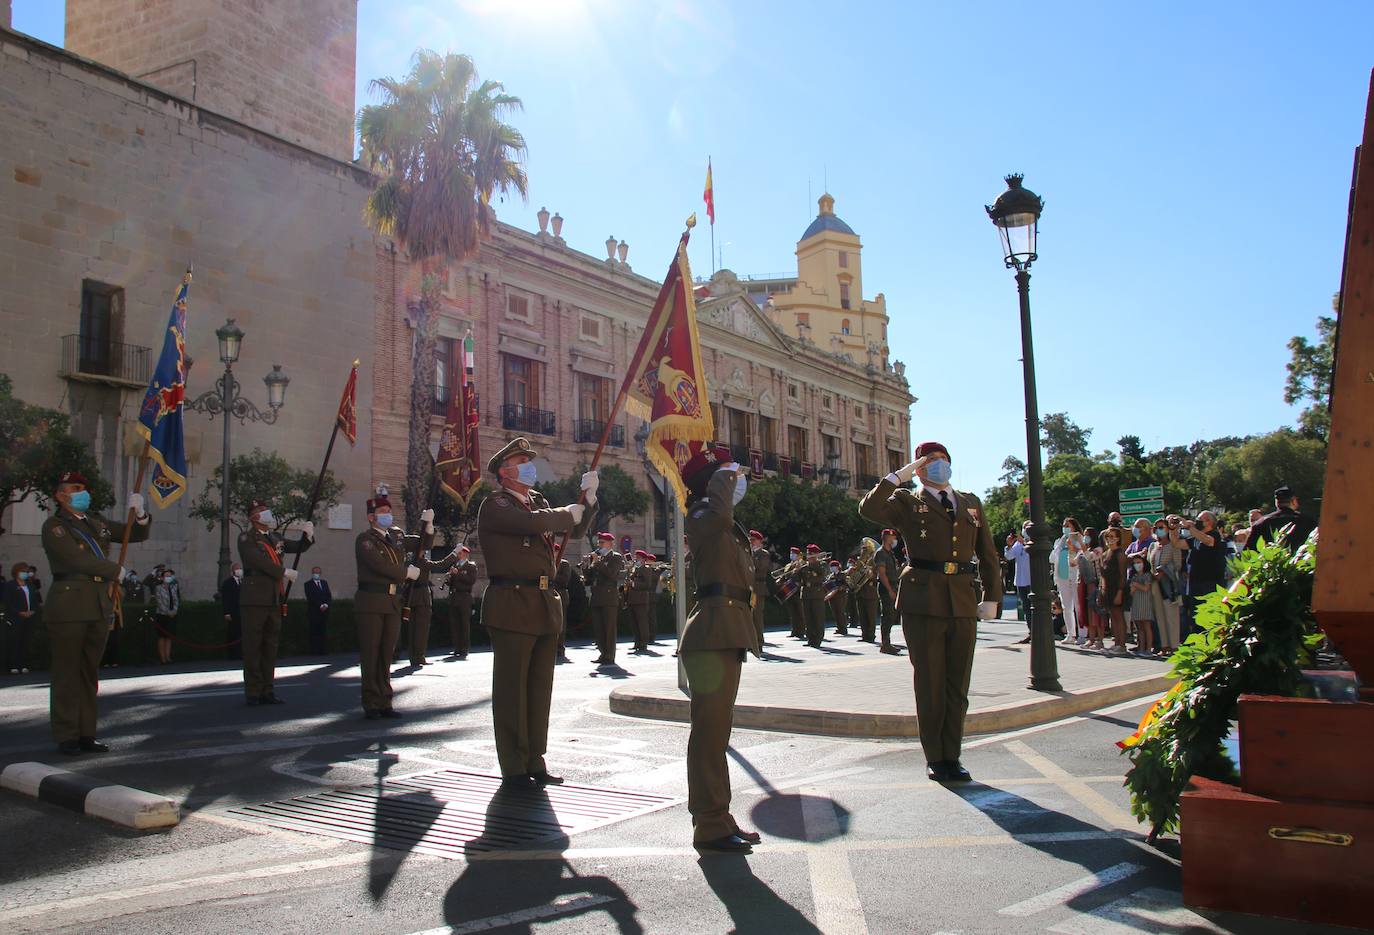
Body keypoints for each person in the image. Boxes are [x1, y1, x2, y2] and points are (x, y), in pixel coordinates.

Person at [859, 442, 1002, 783]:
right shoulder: (907, 501)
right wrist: (900, 476)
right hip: (923, 600)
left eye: (943, 460)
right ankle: (936, 756)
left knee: (957, 683)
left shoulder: (971, 503)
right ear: (919, 469)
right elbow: (869, 508)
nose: (939, 465)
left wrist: (993, 596)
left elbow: (988, 554)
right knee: (930, 682)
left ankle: (953, 754)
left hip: (963, 598)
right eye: (930, 461)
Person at [477, 436, 596, 791]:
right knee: (512, 689)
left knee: (539, 688)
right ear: (504, 471)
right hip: (511, 603)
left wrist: (588, 503)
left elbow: (572, 529)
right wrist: (564, 514)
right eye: (521, 461)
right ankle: (513, 765)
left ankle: (535, 759)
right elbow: (530, 524)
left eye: (529, 461)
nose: (529, 466)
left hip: (543, 602)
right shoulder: (496, 504)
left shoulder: (537, 503)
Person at [678, 446, 762, 852]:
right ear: (709, 482)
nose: (737, 478)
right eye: (728, 474)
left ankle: (720, 817)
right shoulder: (701, 516)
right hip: (710, 634)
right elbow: (721, 512)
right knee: (709, 733)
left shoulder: (723, 524)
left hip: (727, 631)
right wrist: (723, 475)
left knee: (718, 731)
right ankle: (709, 823)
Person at [40, 471, 150, 754]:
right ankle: (67, 734)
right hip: (69, 604)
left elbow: (133, 534)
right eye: (74, 488)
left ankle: (87, 733)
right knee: (67, 672)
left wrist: (140, 514)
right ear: (60, 495)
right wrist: (117, 571)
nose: (81, 492)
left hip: (98, 603)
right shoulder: (55, 527)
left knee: (89, 672)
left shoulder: (96, 523)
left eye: (83, 488)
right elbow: (76, 559)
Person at [238, 500, 313, 706]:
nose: (265, 513)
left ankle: (267, 690)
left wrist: (307, 536)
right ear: (252, 517)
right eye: (260, 511)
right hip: (254, 598)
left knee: (270, 646)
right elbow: (256, 560)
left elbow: (297, 547)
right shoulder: (246, 538)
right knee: (253, 646)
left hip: (273, 597)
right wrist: (283, 572)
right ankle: (253, 691)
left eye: (265, 509)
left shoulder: (276, 537)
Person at [354, 495, 418, 718]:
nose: (387, 514)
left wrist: (429, 527)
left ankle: (385, 701)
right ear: (371, 517)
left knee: (386, 654)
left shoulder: (396, 537)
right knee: (371, 653)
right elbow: (379, 565)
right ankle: (371, 701)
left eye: (388, 510)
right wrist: (405, 573)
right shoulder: (365, 540)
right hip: (371, 601)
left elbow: (421, 544)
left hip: (392, 603)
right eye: (381, 511)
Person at [402, 517, 460, 667]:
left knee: (413, 629)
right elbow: (441, 564)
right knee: (420, 629)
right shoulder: (422, 562)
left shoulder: (409, 562)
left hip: (410, 597)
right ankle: (419, 656)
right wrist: (454, 553)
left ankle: (413, 656)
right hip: (421, 597)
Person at [1180, 511, 1227, 641]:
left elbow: (1208, 541)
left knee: (1211, 616)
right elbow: (1178, 544)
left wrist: (1190, 527)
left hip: (1211, 582)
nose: (1197, 522)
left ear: (1209, 521)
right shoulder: (1195, 538)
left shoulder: (1215, 535)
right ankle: (1199, 643)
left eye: (1200, 519)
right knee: (1196, 616)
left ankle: (1214, 642)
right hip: (1196, 582)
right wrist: (1173, 529)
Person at [583, 532, 624, 666]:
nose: (599, 545)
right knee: (598, 627)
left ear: (610, 544)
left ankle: (609, 655)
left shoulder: (615, 557)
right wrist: (586, 567)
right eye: (599, 542)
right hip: (596, 596)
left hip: (608, 596)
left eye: (602, 542)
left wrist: (597, 562)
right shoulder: (597, 558)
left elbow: (611, 575)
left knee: (609, 627)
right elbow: (589, 579)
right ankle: (602, 652)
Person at [1246, 485, 1318, 554]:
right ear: (1293, 501)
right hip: (1301, 564)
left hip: (1270, 564)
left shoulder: (1261, 523)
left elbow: (1248, 552)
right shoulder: (1308, 521)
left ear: (1276, 502)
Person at [1148, 518, 1183, 655]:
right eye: (1156, 528)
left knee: (1171, 614)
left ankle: (1174, 645)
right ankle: (1164, 645)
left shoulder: (1173, 545)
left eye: (1161, 527)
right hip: (1155, 583)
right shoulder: (1153, 546)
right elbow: (1149, 563)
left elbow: (1178, 564)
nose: (1158, 530)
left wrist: (1163, 570)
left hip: (1168, 583)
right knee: (1160, 615)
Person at [1048, 518, 1083, 646]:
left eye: (1068, 525)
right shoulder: (1059, 541)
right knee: (1066, 607)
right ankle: (1070, 634)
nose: (1065, 528)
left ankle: (1082, 634)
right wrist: (1059, 546)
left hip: (1074, 575)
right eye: (1064, 525)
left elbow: (1082, 552)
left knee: (1078, 605)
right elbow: (1052, 558)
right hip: (1061, 576)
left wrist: (1074, 544)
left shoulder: (1079, 539)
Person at [1098, 526, 1129, 655]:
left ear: (1118, 538)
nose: (1110, 539)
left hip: (1117, 588)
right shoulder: (1106, 553)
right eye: (1108, 537)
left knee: (1119, 616)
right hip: (1107, 588)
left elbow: (1122, 574)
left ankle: (1122, 645)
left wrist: (1120, 592)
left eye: (1113, 536)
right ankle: (1116, 642)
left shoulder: (1120, 553)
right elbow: (1102, 574)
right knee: (1113, 617)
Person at [5, 563, 40, 674]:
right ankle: (14, 665)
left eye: (27, 571)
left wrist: (32, 611)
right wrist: (19, 612)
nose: (26, 573)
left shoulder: (30, 585)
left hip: (29, 617)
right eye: (23, 571)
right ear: (17, 572)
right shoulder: (10, 585)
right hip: (16, 618)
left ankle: (24, 664)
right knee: (15, 641)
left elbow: (36, 600)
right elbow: (8, 602)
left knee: (26, 641)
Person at [446, 545, 477, 660]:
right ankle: (457, 647)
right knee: (455, 623)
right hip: (454, 596)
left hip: (464, 597)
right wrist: (449, 578)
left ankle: (464, 648)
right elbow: (451, 583)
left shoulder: (470, 566)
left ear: (465, 554)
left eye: (460, 553)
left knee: (464, 624)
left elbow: (470, 580)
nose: (458, 555)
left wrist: (457, 574)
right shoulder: (455, 565)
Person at [627, 550, 662, 653]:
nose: (635, 559)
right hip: (633, 599)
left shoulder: (646, 569)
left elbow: (647, 584)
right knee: (635, 623)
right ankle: (637, 642)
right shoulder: (635, 569)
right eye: (635, 557)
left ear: (643, 559)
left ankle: (643, 643)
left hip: (641, 599)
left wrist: (633, 584)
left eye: (637, 558)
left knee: (642, 622)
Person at [875, 528, 903, 655]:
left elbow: (893, 573)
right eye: (893, 537)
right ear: (887, 538)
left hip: (892, 585)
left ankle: (887, 643)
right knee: (887, 616)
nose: (894, 540)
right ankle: (885, 644)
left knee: (891, 615)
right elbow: (882, 574)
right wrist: (890, 590)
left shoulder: (890, 553)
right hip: (886, 587)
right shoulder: (881, 553)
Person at [1003, 521, 1033, 630]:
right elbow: (1009, 556)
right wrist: (1009, 545)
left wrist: (1024, 542)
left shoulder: (1035, 541)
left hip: (1032, 580)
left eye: (1027, 527)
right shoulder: (1018, 544)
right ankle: (1031, 631)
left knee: (1033, 608)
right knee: (1026, 608)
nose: (1025, 529)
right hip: (1020, 580)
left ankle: (1036, 631)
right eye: (1024, 527)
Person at [798, 544, 828, 648]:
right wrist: (795, 569)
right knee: (808, 618)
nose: (808, 555)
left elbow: (823, 574)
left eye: (811, 553)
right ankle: (810, 638)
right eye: (808, 553)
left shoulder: (822, 564)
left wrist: (813, 562)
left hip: (817, 593)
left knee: (818, 618)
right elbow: (796, 579)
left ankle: (818, 639)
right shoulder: (804, 567)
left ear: (816, 554)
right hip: (806, 593)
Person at [1127, 553, 1156, 656]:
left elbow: (1146, 588)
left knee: (1146, 626)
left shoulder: (1147, 575)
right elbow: (1131, 591)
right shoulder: (1134, 576)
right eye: (1135, 563)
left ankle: (1148, 649)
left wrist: (1136, 585)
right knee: (1139, 627)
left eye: (1139, 562)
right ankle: (1141, 648)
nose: (1137, 565)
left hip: (1145, 603)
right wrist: (1134, 586)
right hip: (1136, 603)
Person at [747, 530, 772, 646]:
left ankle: (759, 642)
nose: (751, 542)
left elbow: (761, 567)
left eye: (753, 540)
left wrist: (749, 556)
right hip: (748, 588)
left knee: (756, 616)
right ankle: (750, 642)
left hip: (758, 588)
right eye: (750, 540)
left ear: (760, 541)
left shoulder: (764, 554)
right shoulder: (747, 553)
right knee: (748, 616)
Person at [153, 568, 179, 664]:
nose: (168, 578)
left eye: (170, 576)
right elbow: (159, 602)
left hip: (172, 614)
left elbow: (176, 600)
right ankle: (162, 658)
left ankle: (168, 657)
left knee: (169, 637)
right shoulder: (158, 588)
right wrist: (168, 612)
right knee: (162, 636)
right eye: (166, 576)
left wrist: (174, 610)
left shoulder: (173, 587)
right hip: (162, 615)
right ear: (162, 577)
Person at [304, 565, 332, 656]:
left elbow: (328, 595)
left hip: (325, 612)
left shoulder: (324, 583)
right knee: (314, 632)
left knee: (324, 631)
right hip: (314, 612)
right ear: (312, 573)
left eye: (318, 573)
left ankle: (324, 650)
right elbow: (310, 597)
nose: (316, 574)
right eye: (315, 572)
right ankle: (314, 651)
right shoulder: (308, 584)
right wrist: (320, 605)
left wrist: (326, 605)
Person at [553, 557, 574, 663]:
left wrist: (552, 573)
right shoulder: (548, 561)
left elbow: (564, 580)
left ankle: (560, 648)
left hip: (561, 595)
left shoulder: (564, 563)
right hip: (548, 596)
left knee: (561, 624)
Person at [220, 562, 243, 662]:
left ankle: (241, 653)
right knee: (233, 632)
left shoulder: (243, 582)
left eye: (240, 568)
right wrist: (227, 612)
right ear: (232, 570)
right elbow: (226, 599)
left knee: (242, 632)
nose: (239, 570)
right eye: (237, 569)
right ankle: (233, 654)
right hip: (233, 611)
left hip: (242, 611)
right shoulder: (228, 583)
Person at [823, 559, 849, 635]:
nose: (832, 568)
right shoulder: (830, 576)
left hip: (841, 596)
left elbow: (847, 584)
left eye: (834, 566)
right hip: (832, 597)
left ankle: (843, 628)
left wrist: (841, 587)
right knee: (835, 612)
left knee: (840, 612)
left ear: (838, 567)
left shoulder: (842, 574)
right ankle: (839, 627)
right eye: (831, 566)